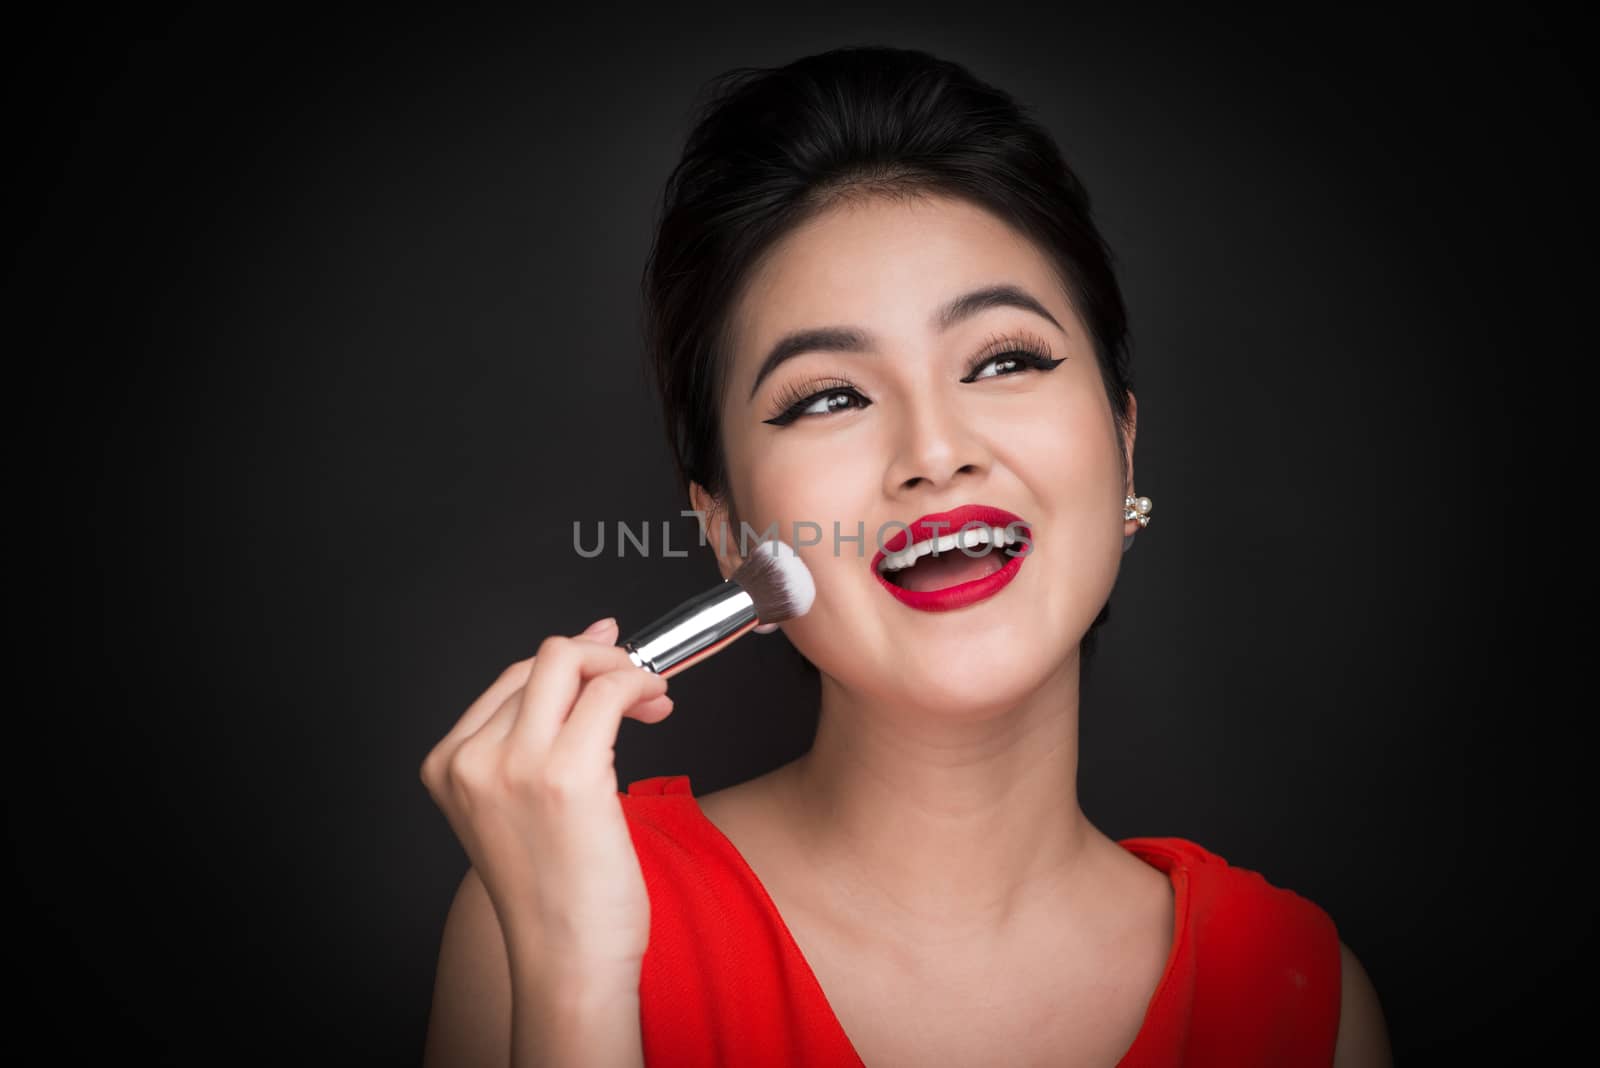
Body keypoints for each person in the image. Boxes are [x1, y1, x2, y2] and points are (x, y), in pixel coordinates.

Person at [419, 45, 1393, 1066]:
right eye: (829, 396)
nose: (933, 453)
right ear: (725, 531)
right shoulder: (546, 915)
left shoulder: (1301, 1001)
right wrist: (576, 982)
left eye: (1004, 360)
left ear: (1123, 442)